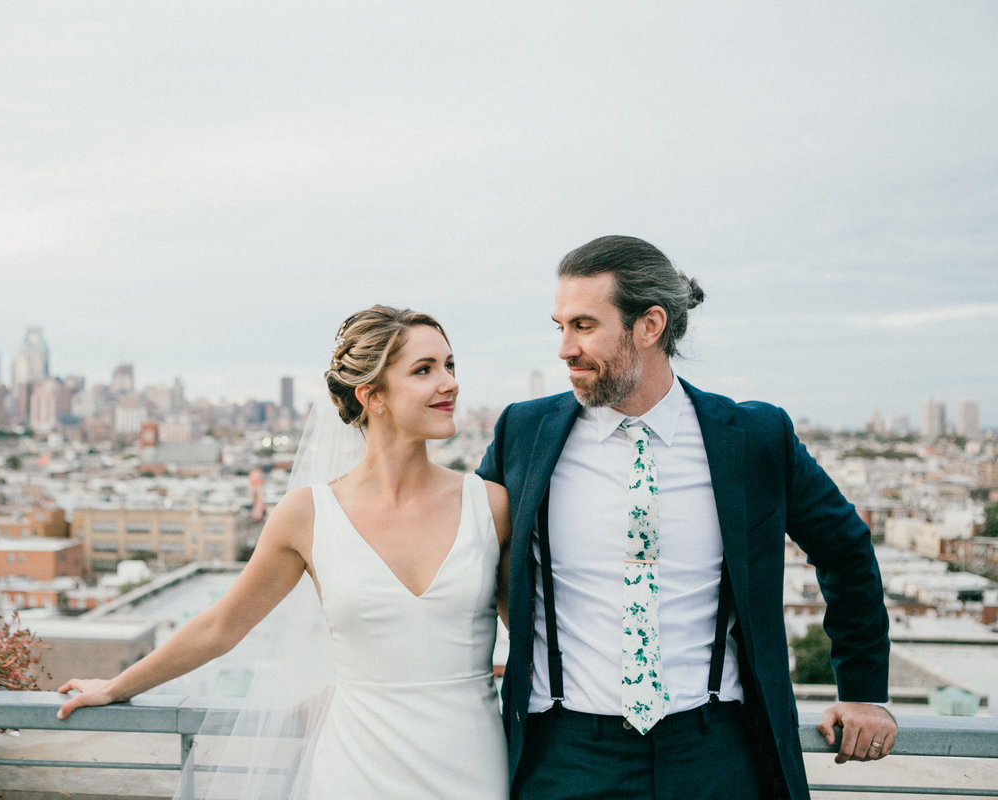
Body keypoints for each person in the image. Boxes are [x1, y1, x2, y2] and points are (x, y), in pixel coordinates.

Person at [477, 236, 896, 800]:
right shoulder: (523, 433)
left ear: (650, 325)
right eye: (560, 326)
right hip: (566, 753)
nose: (564, 349)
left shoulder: (754, 438)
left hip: (717, 751)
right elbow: (467, 558)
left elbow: (845, 550)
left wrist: (865, 691)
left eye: (583, 325)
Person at [58, 305, 512, 799]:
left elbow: (531, 640)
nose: (449, 383)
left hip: (470, 761)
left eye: (450, 366)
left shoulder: (489, 505)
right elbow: (221, 626)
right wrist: (116, 687)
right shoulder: (306, 515)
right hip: (357, 768)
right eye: (425, 370)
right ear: (372, 396)